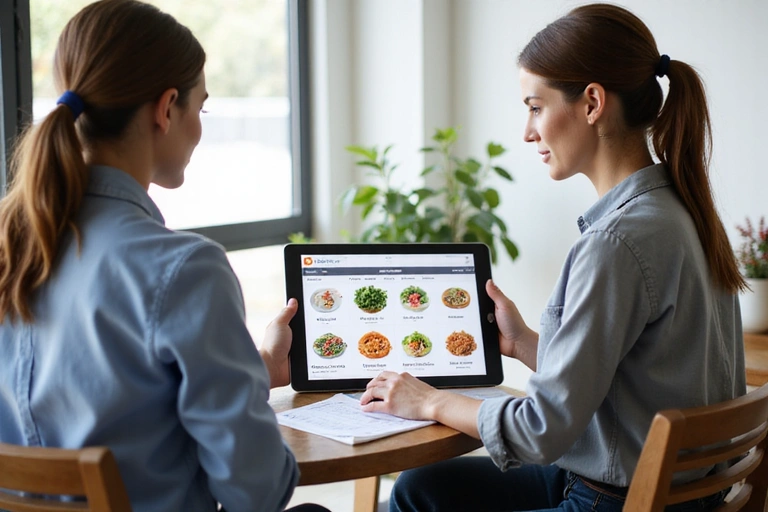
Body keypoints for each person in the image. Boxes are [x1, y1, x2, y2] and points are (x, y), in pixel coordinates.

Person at [360, 4, 746, 512]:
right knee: (418, 488)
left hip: (613, 500)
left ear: (592, 103)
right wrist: (525, 345)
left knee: (415, 495)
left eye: (536, 107)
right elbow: (627, 383)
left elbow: (539, 432)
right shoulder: (680, 208)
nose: (527, 131)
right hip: (666, 492)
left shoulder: (616, 242)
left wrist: (428, 399)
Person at [0, 1, 328, 511]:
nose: (199, 127)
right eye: (201, 107)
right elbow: (256, 491)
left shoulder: (11, 247)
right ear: (167, 107)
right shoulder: (184, 269)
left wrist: (255, 368)